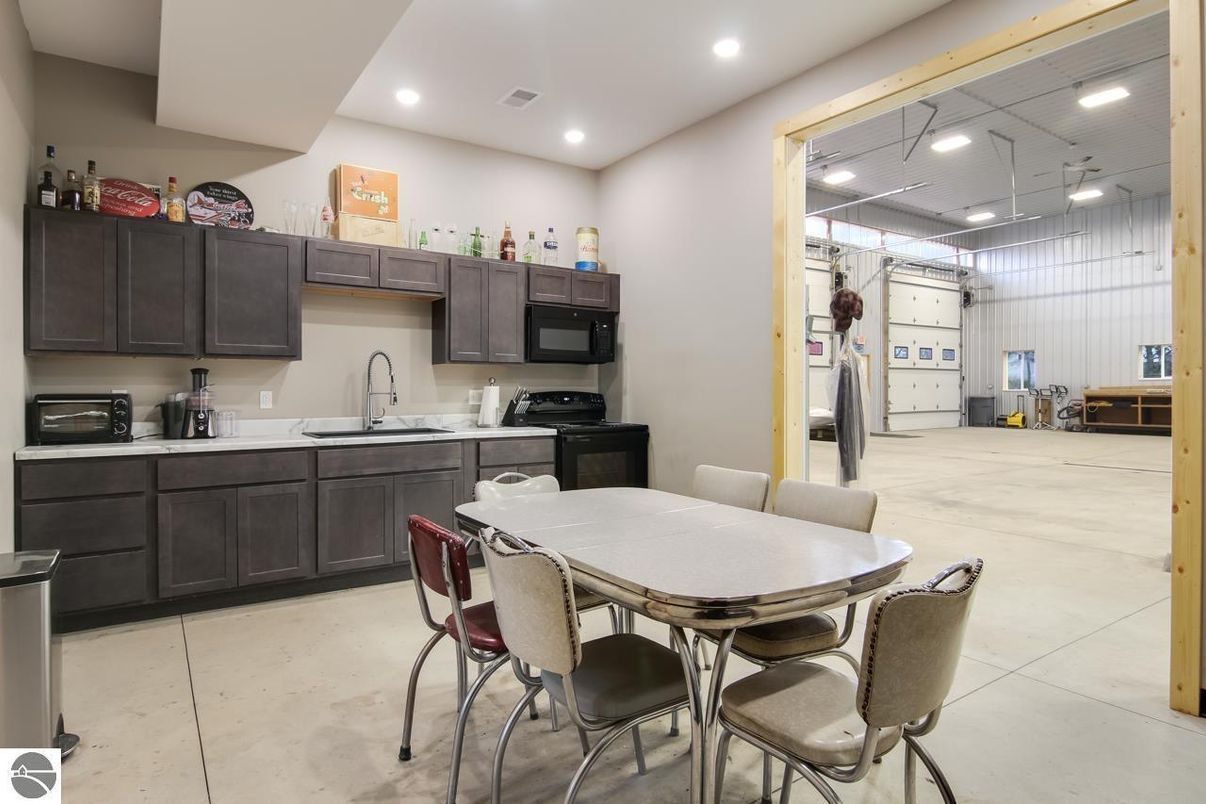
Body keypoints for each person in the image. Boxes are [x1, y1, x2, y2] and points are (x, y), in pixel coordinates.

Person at [828, 288, 869, 484]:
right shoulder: (850, 360)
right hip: (850, 433)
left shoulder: (847, 362)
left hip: (848, 433)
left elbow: (846, 411)